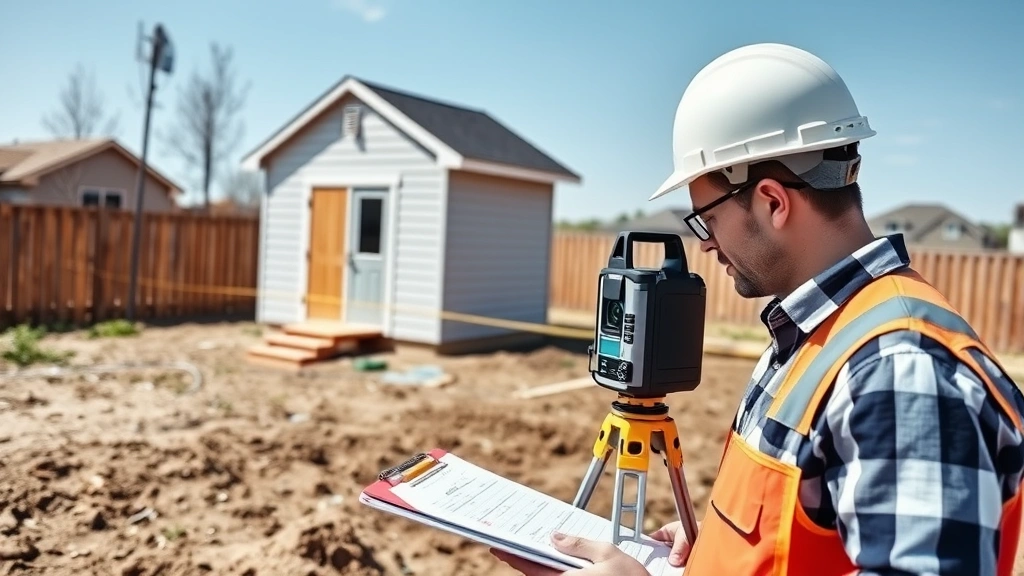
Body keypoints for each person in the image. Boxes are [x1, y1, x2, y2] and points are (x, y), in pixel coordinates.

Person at [493, 42, 1024, 575]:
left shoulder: (898, 368)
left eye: (706, 219)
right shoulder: (814, 336)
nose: (704, 244)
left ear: (772, 201)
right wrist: (721, 553)